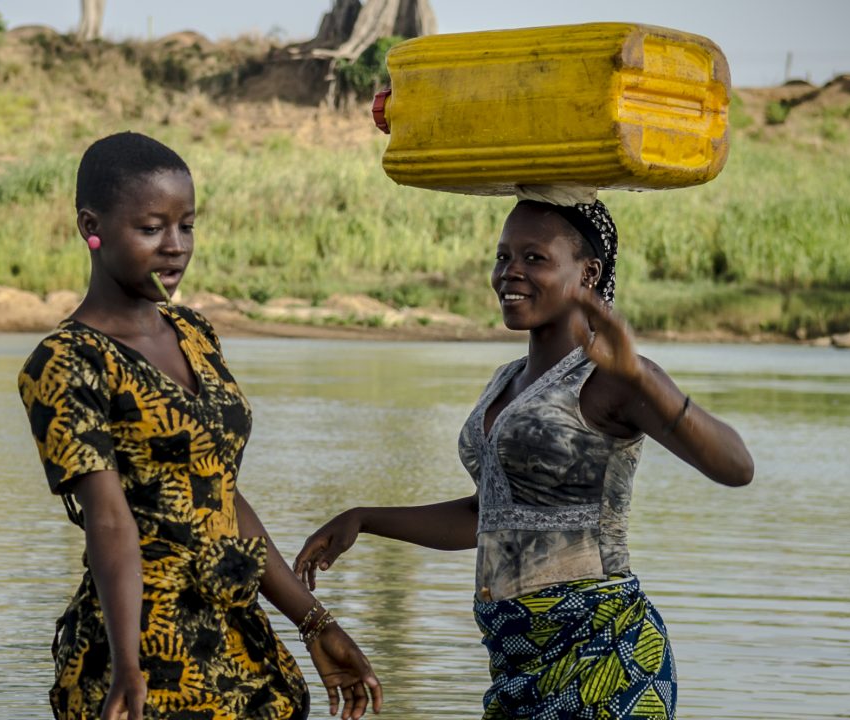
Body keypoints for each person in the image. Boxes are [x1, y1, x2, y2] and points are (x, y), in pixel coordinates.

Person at [293, 198, 755, 719]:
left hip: (603, 652)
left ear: (587, 273)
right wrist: (364, 519)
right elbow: (487, 517)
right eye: (502, 256)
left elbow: (737, 467)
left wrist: (642, 377)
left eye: (534, 258)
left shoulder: (612, 379)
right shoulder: (504, 382)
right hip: (518, 662)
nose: (509, 272)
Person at [17, 131, 383, 720]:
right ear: (93, 225)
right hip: (146, 647)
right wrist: (129, 664)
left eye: (186, 225)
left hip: (238, 638)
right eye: (151, 228)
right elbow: (108, 520)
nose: (175, 247)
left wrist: (315, 623)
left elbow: (221, 496)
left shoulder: (195, 334)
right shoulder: (66, 361)